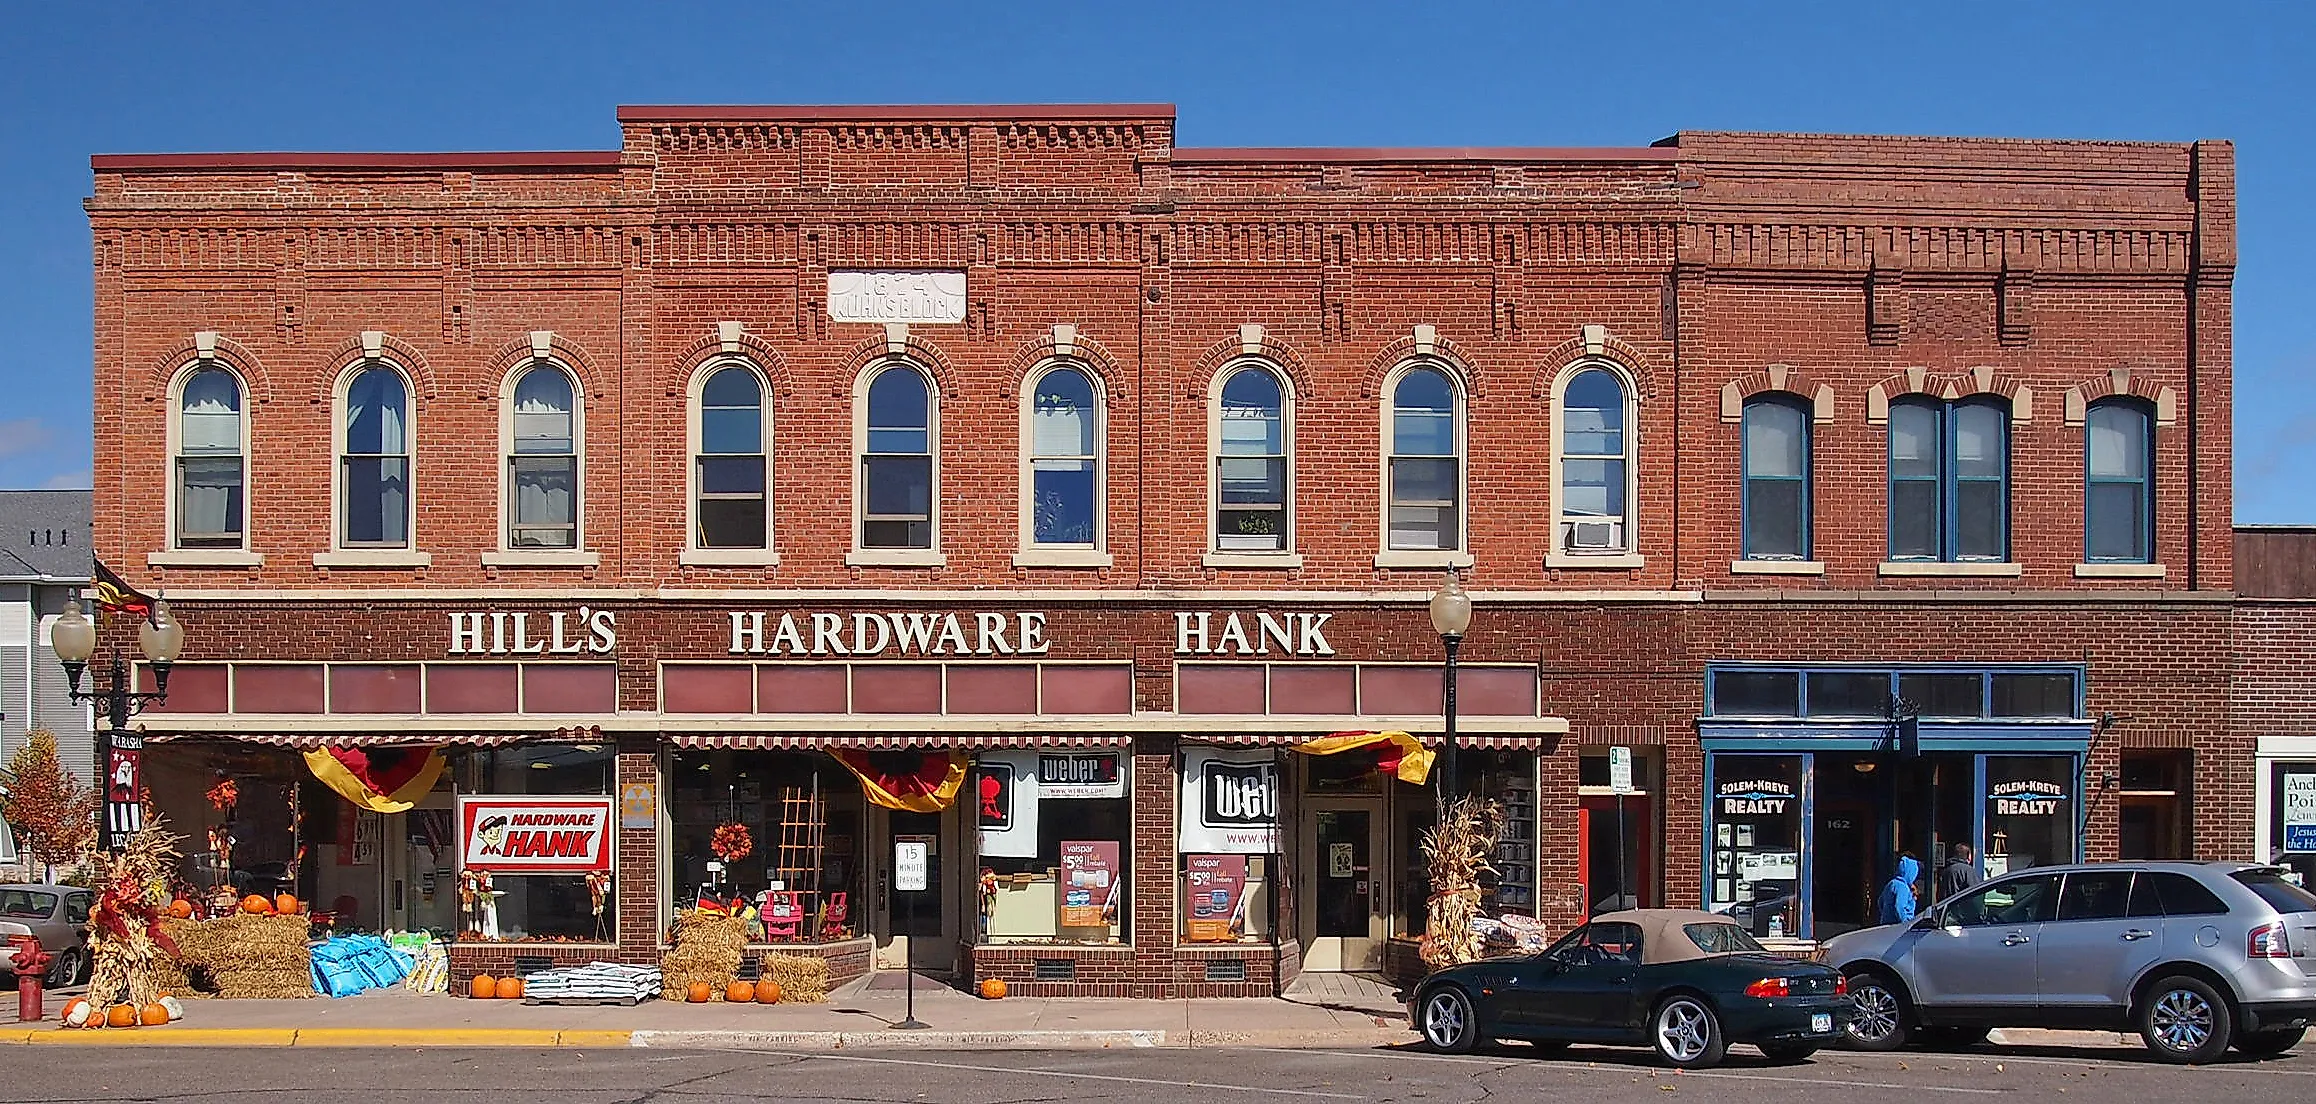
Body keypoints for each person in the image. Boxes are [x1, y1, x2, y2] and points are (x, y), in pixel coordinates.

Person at [1877, 852, 1921, 926]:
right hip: (1898, 927)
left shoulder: (1892, 883)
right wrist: (1905, 923)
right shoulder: (1903, 887)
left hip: (1886, 925)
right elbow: (1899, 907)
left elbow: (1880, 901)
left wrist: (1887, 914)